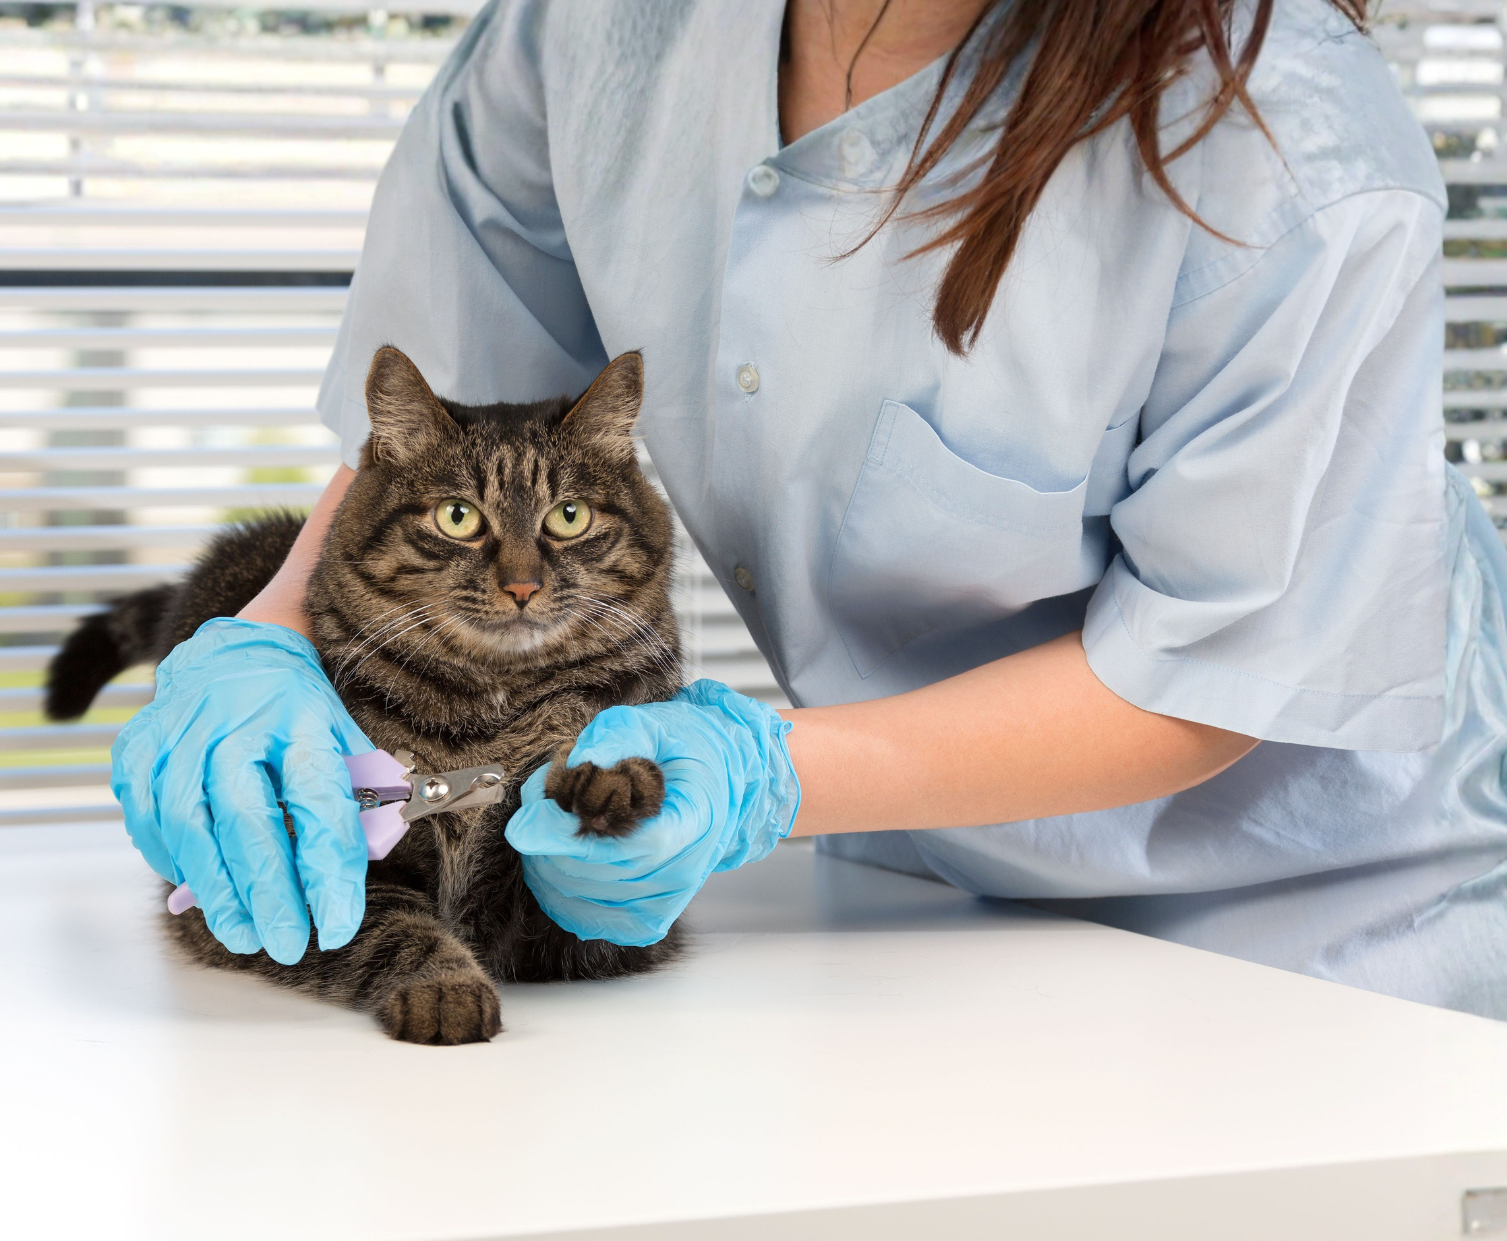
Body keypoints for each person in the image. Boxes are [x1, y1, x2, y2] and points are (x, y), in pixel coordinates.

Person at [114, 0, 1507, 1019]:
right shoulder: (590, 38)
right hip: (916, 914)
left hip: (1325, 943)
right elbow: (455, 422)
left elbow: (1214, 668)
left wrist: (761, 776)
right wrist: (269, 643)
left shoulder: (1287, 153)